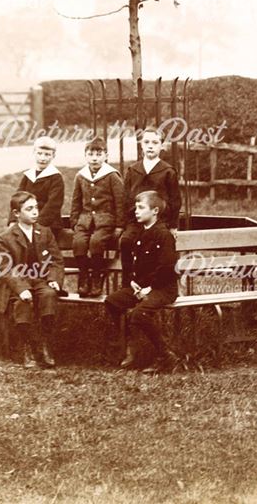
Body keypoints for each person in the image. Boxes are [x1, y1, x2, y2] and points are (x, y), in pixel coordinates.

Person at [0, 190, 65, 368]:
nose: (35, 212)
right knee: (22, 303)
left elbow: (56, 260)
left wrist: (54, 278)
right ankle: (26, 347)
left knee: (49, 295)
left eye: (36, 208)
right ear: (17, 213)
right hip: (16, 282)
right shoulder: (5, 237)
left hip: (40, 279)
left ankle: (45, 345)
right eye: (29, 209)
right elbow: (6, 267)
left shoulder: (44, 232)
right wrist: (22, 288)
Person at [105, 190, 180, 373]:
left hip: (163, 289)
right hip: (142, 287)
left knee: (139, 314)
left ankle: (166, 355)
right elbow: (136, 265)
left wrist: (149, 287)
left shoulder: (163, 235)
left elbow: (167, 268)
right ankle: (131, 348)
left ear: (155, 211)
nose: (136, 211)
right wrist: (132, 282)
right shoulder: (140, 233)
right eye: (136, 207)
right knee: (112, 301)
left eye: (141, 208)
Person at [120, 126, 181, 286]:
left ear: (162, 146)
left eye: (155, 142)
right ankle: (128, 283)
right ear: (141, 145)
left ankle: (154, 285)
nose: (150, 146)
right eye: (146, 142)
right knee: (126, 241)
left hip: (158, 223)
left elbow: (175, 200)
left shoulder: (167, 171)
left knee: (156, 250)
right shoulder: (133, 170)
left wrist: (173, 225)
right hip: (136, 221)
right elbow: (125, 199)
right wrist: (127, 223)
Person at [69, 137, 125, 298]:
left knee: (96, 243)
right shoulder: (81, 176)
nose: (94, 158)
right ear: (85, 156)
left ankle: (96, 277)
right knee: (78, 243)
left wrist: (119, 225)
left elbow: (120, 201)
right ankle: (84, 276)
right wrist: (74, 222)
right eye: (91, 154)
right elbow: (76, 201)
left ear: (106, 156)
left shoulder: (112, 176)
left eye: (99, 154)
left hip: (105, 222)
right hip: (84, 221)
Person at [17, 136, 64, 239]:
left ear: (53, 156)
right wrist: (12, 220)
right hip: (27, 220)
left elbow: (53, 205)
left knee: (38, 240)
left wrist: (37, 224)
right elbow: (17, 199)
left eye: (47, 154)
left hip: (47, 223)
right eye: (39, 153)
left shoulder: (55, 177)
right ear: (34, 153)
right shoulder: (28, 175)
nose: (42, 158)